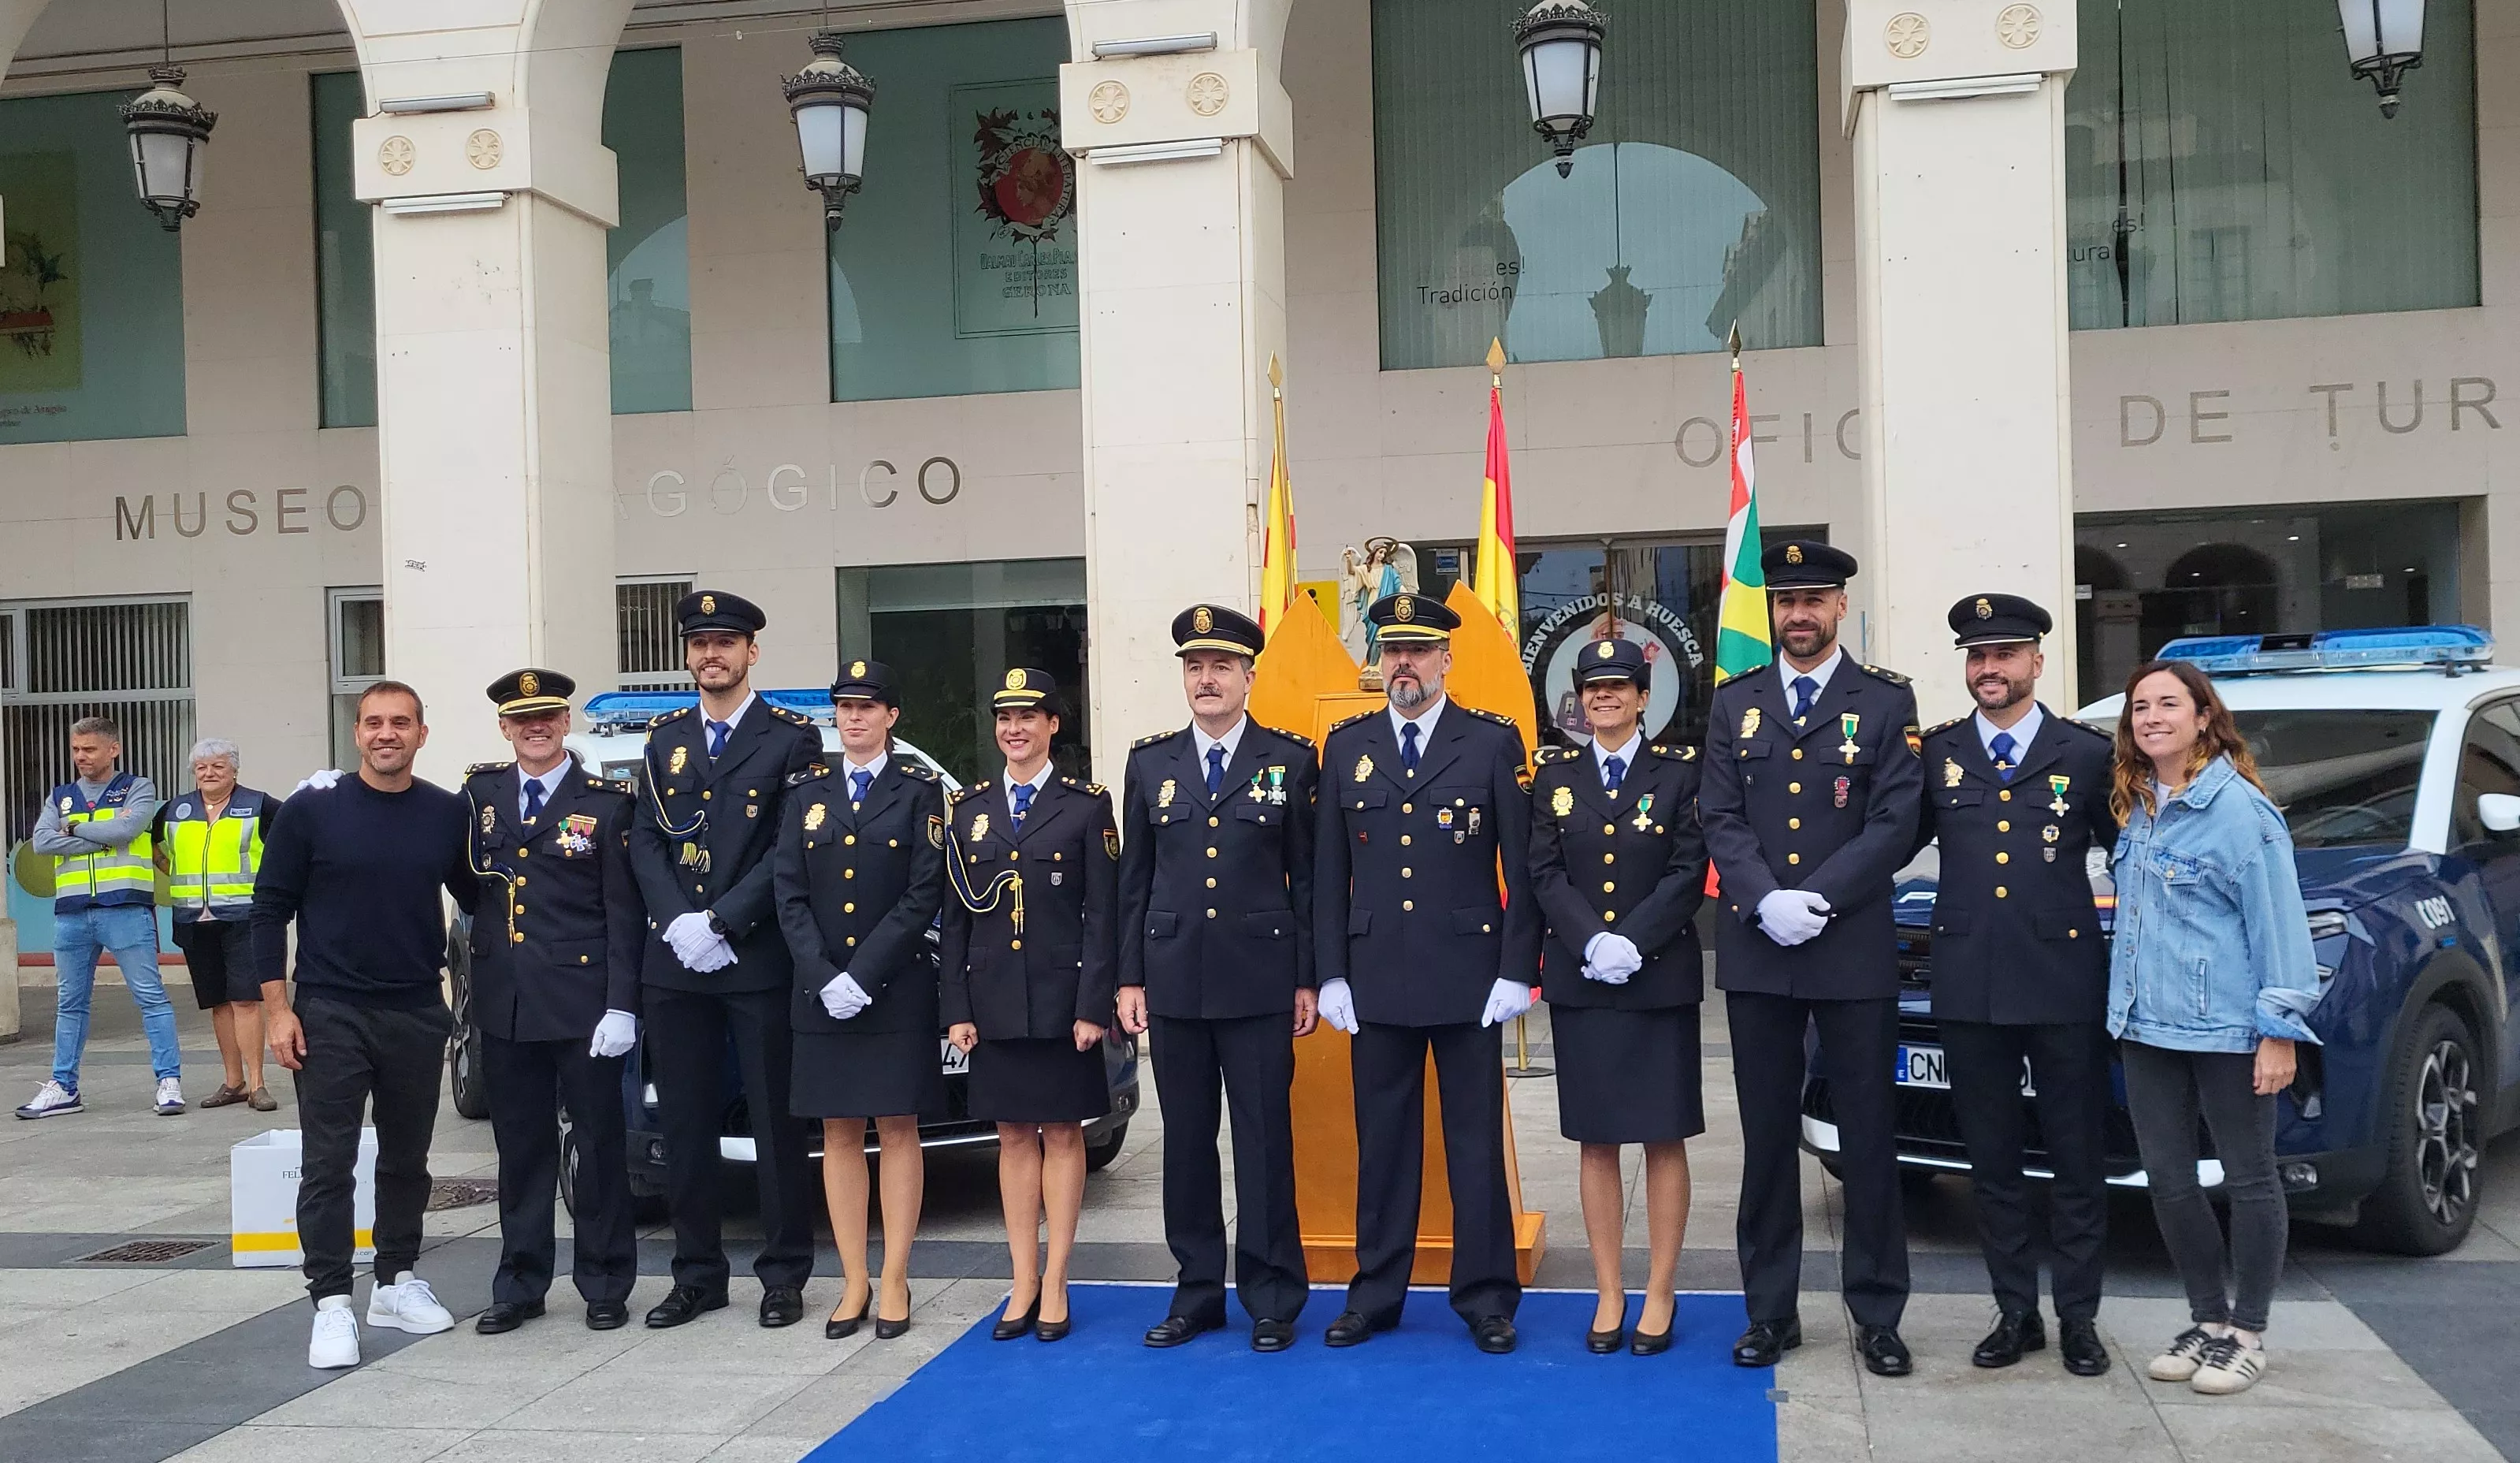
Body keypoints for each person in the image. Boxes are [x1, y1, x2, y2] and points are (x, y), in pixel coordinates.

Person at [1699, 541, 1923, 1376]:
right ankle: (1770, 1311)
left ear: (1840, 607)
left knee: (1867, 1136)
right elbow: (1718, 813)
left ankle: (1878, 1312)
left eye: (1815, 599)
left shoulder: (1885, 699)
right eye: (1786, 599)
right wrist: (1764, 900)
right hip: (1761, 949)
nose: (1799, 613)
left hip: (1850, 946)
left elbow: (1896, 820)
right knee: (1764, 1141)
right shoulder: (1736, 703)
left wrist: (1817, 897)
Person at [1313, 592, 1538, 1357]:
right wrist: (1331, 972)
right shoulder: (1347, 746)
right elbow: (1325, 873)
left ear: (1447, 658)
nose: (1403, 663)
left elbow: (1524, 867)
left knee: (1473, 1144)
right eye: (1391, 650)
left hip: (1469, 978)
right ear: (1379, 660)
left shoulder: (1490, 742)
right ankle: (1375, 1293)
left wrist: (1517, 969)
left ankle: (1486, 1297)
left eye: (1418, 649)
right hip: (1375, 978)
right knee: (1384, 1145)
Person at [1912, 595, 2117, 1376]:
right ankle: (2016, 1310)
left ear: (2037, 661)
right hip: (1969, 984)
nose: (1989, 669)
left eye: (2004, 653)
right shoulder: (1938, 753)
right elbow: (1893, 841)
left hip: (2063, 982)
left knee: (2075, 1156)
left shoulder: (2086, 754)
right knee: (1991, 1160)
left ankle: (2079, 1315)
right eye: (1976, 655)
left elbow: (2131, 849)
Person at [2108, 658, 2322, 1397]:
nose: (2152, 718)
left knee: (2252, 1179)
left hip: (2231, 1030)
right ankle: (2206, 1321)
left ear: (2204, 718)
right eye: (2141, 707)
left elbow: (2280, 926)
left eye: (2169, 704)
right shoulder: (2136, 805)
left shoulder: (2242, 814)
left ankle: (2249, 1332)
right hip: (2147, 1029)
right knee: (2169, 1182)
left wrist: (2279, 1029)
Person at [251, 681, 478, 1369]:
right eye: (375, 722)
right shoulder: (310, 811)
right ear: (356, 733)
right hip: (328, 1009)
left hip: (415, 1008)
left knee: (409, 1159)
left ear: (421, 734)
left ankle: (396, 1281)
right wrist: (277, 1009)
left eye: (401, 723)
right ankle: (329, 1302)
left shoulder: (446, 814)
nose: (388, 733)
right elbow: (268, 910)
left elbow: (482, 903)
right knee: (330, 1162)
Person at [1116, 605, 1319, 1353]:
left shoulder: (1291, 760)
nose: (1206, 679)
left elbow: (1310, 880)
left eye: (1221, 667)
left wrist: (1307, 978)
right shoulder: (1150, 763)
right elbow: (1132, 882)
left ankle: (1272, 1295)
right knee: (1186, 1143)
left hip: (1261, 982)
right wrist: (1128, 977)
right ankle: (1197, 1290)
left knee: (1265, 1142)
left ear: (1248, 676)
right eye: (1195, 667)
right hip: (1172, 982)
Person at [629, 590, 827, 1331]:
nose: (712, 655)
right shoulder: (664, 738)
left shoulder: (790, 738)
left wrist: (722, 919)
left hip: (753, 957)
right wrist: (680, 922)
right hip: (675, 961)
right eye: (700, 643)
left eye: (726, 643)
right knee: (683, 1123)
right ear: (687, 654)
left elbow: (790, 847)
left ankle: (782, 1274)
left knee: (775, 1122)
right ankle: (698, 1274)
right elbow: (645, 838)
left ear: (752, 653)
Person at [1528, 638, 1708, 1356]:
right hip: (1582, 979)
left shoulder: (1679, 776)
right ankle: (1609, 1290)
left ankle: (1660, 1288)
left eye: (1619, 687)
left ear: (1643, 698)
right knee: (1596, 1138)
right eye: (1593, 688)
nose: (1605, 697)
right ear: (1580, 700)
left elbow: (1691, 867)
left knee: (1664, 1136)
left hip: (1657, 976)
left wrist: (1632, 940)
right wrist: (1589, 941)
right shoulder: (1554, 776)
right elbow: (1543, 870)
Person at [461, 670, 645, 1335]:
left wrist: (623, 1004)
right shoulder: (479, 795)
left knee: (597, 1148)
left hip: (584, 1002)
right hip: (506, 1003)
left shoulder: (607, 803)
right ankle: (519, 1282)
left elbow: (624, 913)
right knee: (521, 1149)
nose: (535, 728)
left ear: (566, 723)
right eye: (521, 720)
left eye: (547, 717)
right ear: (505, 729)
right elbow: (468, 889)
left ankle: (603, 1281)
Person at [941, 668, 1118, 1345]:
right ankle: (1021, 1277)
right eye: (1004, 718)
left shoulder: (1084, 807)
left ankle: (1058, 1278)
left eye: (1029, 717)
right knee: (1012, 1136)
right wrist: (956, 1006)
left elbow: (1102, 916)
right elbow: (954, 919)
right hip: (992, 1003)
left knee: (1063, 1133)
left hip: (1060, 998)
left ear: (1053, 726)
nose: (1014, 729)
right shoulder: (968, 809)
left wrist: (1092, 1005)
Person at [773, 659, 948, 1342]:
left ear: (891, 717)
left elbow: (923, 890)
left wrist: (864, 974)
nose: (854, 718)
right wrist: (822, 975)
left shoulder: (918, 790)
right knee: (840, 1132)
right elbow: (788, 890)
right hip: (820, 993)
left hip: (894, 987)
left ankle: (897, 1276)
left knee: (898, 1127)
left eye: (867, 708)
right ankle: (853, 1279)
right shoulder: (806, 790)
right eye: (844, 707)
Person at [17, 716, 179, 1121]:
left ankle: (169, 1081)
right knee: (70, 1003)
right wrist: (96, 836)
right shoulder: (61, 795)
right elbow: (42, 842)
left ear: (113, 749)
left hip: (125, 906)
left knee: (150, 997)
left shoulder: (138, 788)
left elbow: (129, 830)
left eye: (89, 749)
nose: (80, 757)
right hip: (72, 913)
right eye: (76, 750)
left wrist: (74, 830)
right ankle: (63, 1087)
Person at [155, 739, 281, 1114]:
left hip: (245, 918)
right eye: (202, 768)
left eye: (218, 767)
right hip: (194, 918)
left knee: (245, 998)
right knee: (218, 1002)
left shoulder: (261, 805)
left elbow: (285, 851)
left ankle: (258, 1084)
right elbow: (157, 851)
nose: (209, 774)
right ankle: (233, 1082)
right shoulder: (175, 810)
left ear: (234, 770)